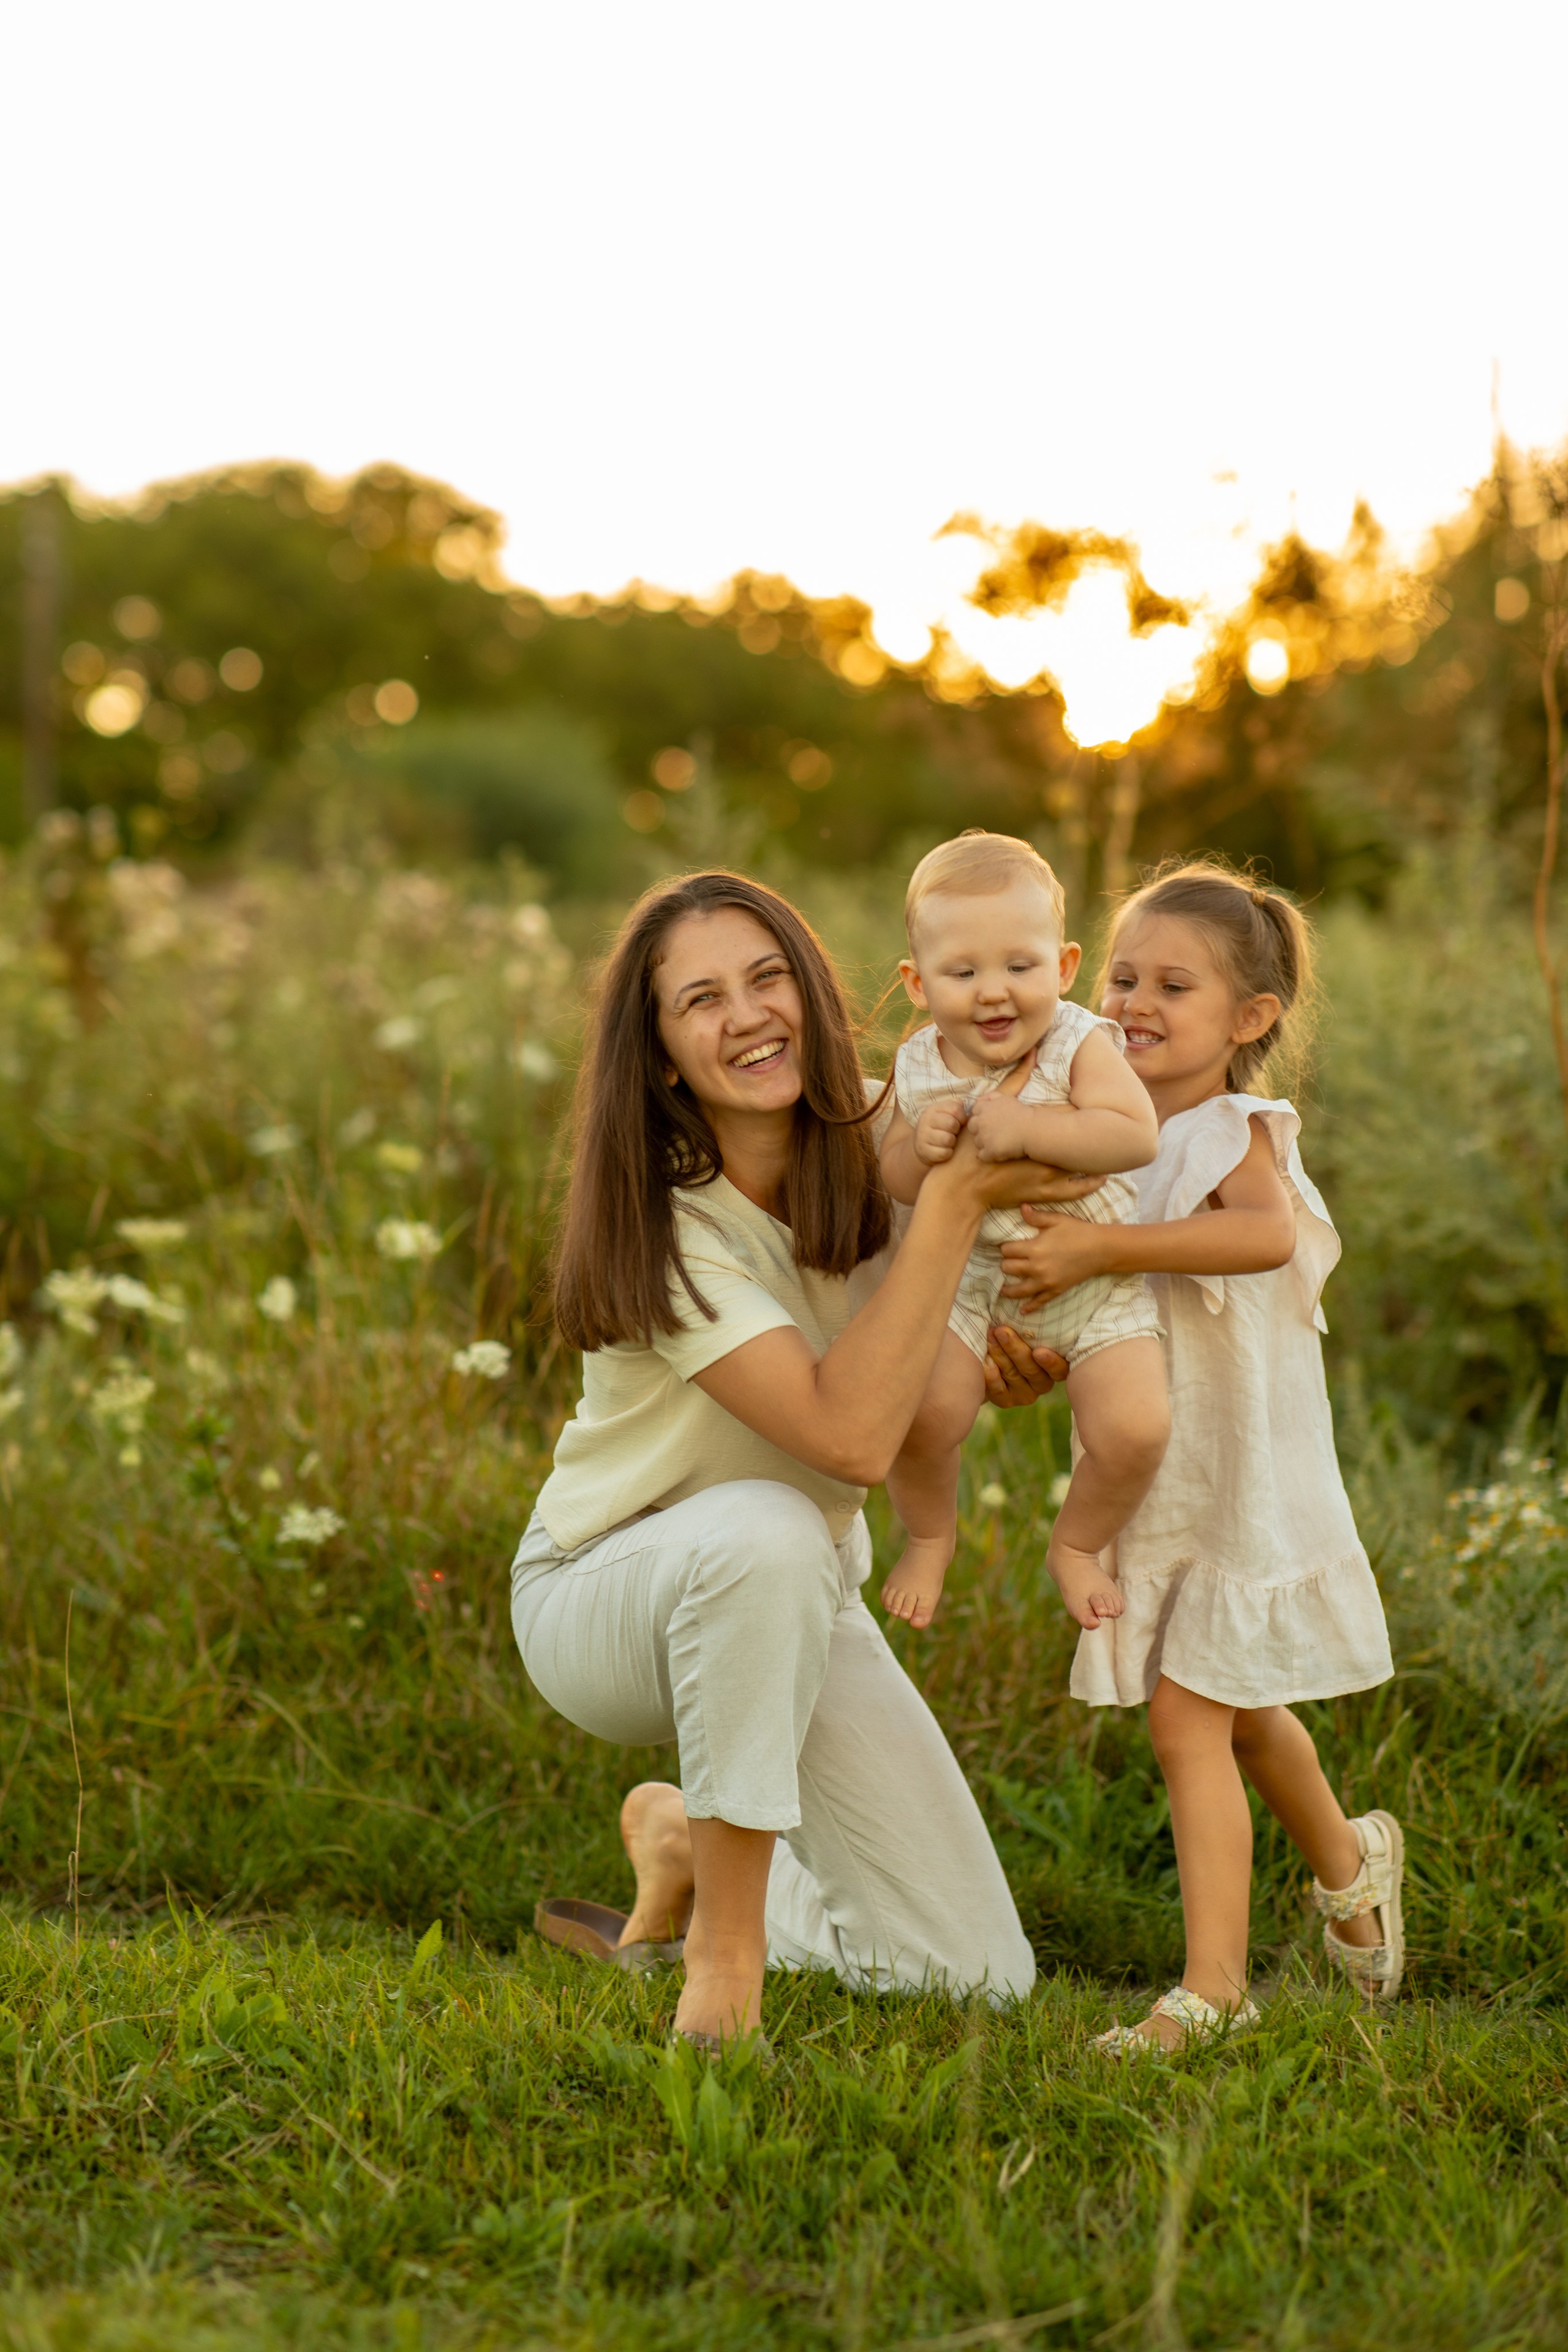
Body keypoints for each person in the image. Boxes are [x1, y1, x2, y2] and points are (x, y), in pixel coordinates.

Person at [510, 870, 1099, 2049]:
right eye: (703, 999)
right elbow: (844, 1435)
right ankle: (723, 1967)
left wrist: (1010, 1347)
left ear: (815, 992)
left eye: (769, 976)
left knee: (970, 1977)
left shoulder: (897, 1128)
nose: (749, 1015)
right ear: (666, 1051)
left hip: (798, 1589)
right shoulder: (668, 1224)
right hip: (605, 1597)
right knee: (767, 1525)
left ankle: (689, 1843)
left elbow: (941, 1330)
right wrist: (951, 1210)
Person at [993, 863, 1401, 2051]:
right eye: (1120, 975)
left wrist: (1093, 1259)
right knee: (1233, 1706)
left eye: (1173, 985)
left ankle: (1211, 1993)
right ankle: (1350, 1863)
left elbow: (1259, 1234)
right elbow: (1118, 1316)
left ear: (1248, 1021)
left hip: (1243, 1465)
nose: (1133, 1002)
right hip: (1158, 1473)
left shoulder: (1231, 1130)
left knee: (1187, 1717)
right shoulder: (1103, 1144)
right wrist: (1033, 1349)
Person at [877, 831, 1169, 1633]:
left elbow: (1131, 1136)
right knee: (926, 1414)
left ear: (1066, 967)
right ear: (918, 982)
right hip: (969, 1284)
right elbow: (896, 1174)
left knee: (1138, 1426)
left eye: (1020, 966)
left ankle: (1076, 1545)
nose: (993, 993)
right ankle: (931, 1535)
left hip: (1093, 1283)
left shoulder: (1080, 1043)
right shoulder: (919, 1066)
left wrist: (1031, 1128)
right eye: (962, 972)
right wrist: (924, 1143)